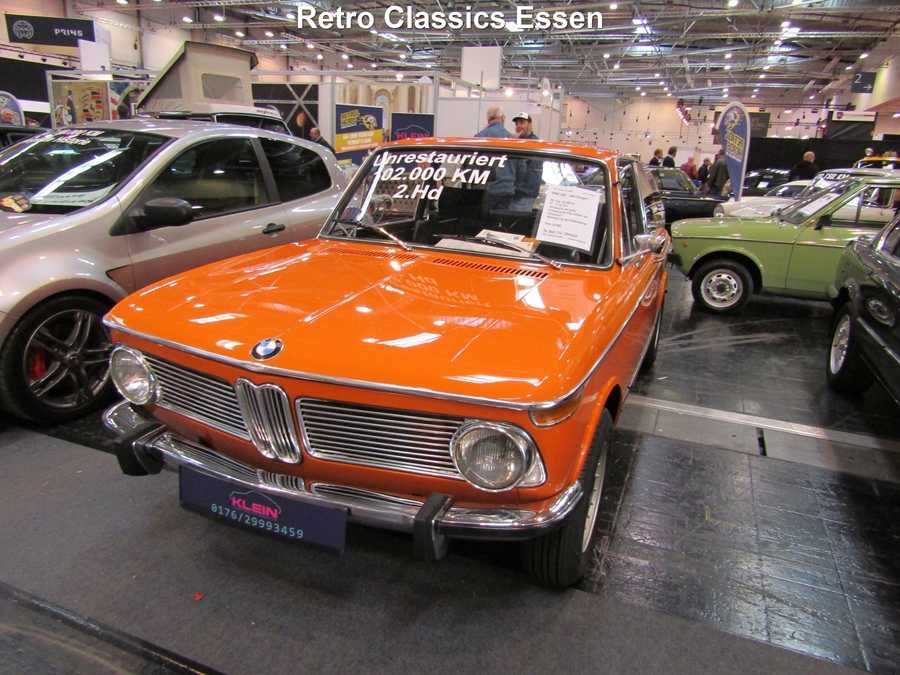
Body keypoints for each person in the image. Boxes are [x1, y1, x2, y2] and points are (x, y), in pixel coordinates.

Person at [510, 112, 542, 211]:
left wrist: (513, 141)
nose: (518, 126)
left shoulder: (533, 142)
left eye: (522, 123)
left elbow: (520, 159)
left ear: (530, 125)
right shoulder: (520, 142)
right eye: (517, 124)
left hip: (526, 194)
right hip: (516, 193)